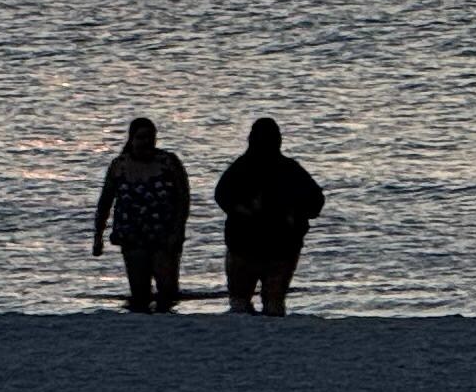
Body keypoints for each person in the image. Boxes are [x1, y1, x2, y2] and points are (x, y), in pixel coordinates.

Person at [213, 116, 326, 315]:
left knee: (242, 302)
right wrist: (295, 217)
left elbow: (222, 196)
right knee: (270, 303)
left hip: (253, 244)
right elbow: (316, 202)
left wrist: (243, 210)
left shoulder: (242, 167)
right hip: (272, 244)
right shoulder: (289, 168)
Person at [92, 117, 193, 312]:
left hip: (164, 234)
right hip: (132, 235)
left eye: (150, 137)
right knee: (139, 292)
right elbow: (105, 202)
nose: (146, 142)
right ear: (131, 139)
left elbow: (183, 198)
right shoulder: (119, 165)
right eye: (141, 137)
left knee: (168, 290)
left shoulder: (168, 162)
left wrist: (178, 230)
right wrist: (98, 237)